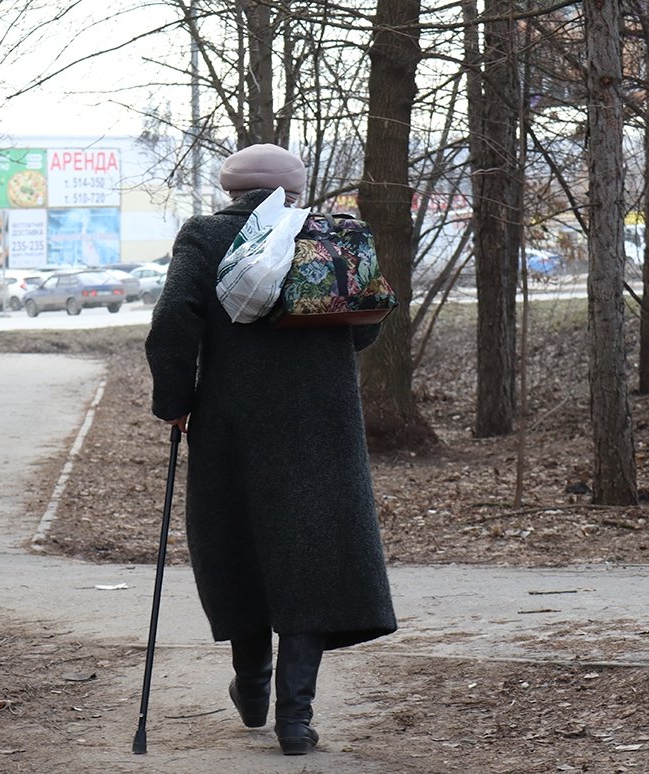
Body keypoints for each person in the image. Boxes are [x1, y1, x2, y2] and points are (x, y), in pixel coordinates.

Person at [144, 143, 398, 756]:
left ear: (230, 189)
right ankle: (295, 721)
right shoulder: (330, 235)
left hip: (234, 422)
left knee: (242, 549)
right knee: (311, 558)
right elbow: (366, 324)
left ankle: (253, 686)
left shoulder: (206, 236)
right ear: (295, 189)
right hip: (323, 425)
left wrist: (174, 401)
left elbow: (174, 319)